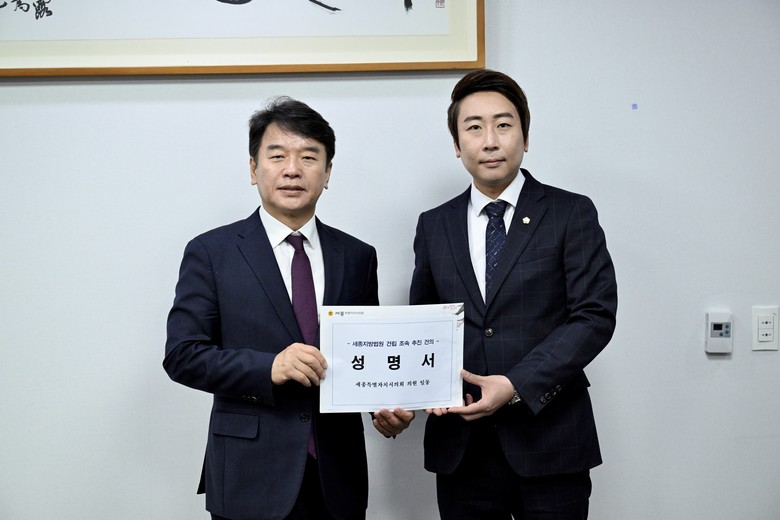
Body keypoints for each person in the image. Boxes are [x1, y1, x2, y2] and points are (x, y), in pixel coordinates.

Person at [164, 97, 414, 520]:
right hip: (248, 474)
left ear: (327, 173)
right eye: (277, 156)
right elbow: (183, 356)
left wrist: (383, 407)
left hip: (337, 477)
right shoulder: (211, 252)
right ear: (253, 169)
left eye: (309, 157)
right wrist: (269, 367)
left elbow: (364, 354)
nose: (292, 169)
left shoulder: (357, 256)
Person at [409, 69, 618, 519]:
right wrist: (408, 391)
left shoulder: (570, 212)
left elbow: (594, 315)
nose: (490, 141)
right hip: (462, 448)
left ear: (525, 137)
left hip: (550, 440)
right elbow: (424, 325)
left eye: (503, 125)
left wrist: (516, 385)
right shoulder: (434, 224)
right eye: (474, 127)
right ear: (456, 143)